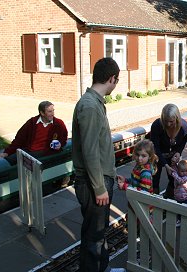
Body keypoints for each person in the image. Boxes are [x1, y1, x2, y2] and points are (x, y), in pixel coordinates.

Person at [71, 57, 125, 272]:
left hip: (101, 178)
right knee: (93, 237)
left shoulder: (94, 103)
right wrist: (101, 187)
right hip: (94, 184)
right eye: (117, 80)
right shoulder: (90, 106)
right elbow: (90, 151)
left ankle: (103, 269)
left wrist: (113, 173)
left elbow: (98, 147)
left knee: (98, 233)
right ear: (111, 78)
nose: (116, 84)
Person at [1, 101, 68, 165]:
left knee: (17, 159)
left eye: (53, 111)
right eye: (50, 111)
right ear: (42, 113)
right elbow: (19, 139)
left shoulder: (59, 123)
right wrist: (7, 152)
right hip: (29, 151)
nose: (53, 114)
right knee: (10, 160)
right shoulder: (32, 122)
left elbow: (64, 139)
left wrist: (60, 144)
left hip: (46, 153)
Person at [150, 104, 187, 198]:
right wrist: (166, 165)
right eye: (165, 121)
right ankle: (154, 203)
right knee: (154, 180)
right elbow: (155, 148)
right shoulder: (157, 125)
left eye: (171, 121)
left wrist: (178, 153)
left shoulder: (184, 127)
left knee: (174, 179)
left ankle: (169, 198)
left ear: (177, 118)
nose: (168, 124)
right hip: (157, 156)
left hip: (172, 157)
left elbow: (183, 142)